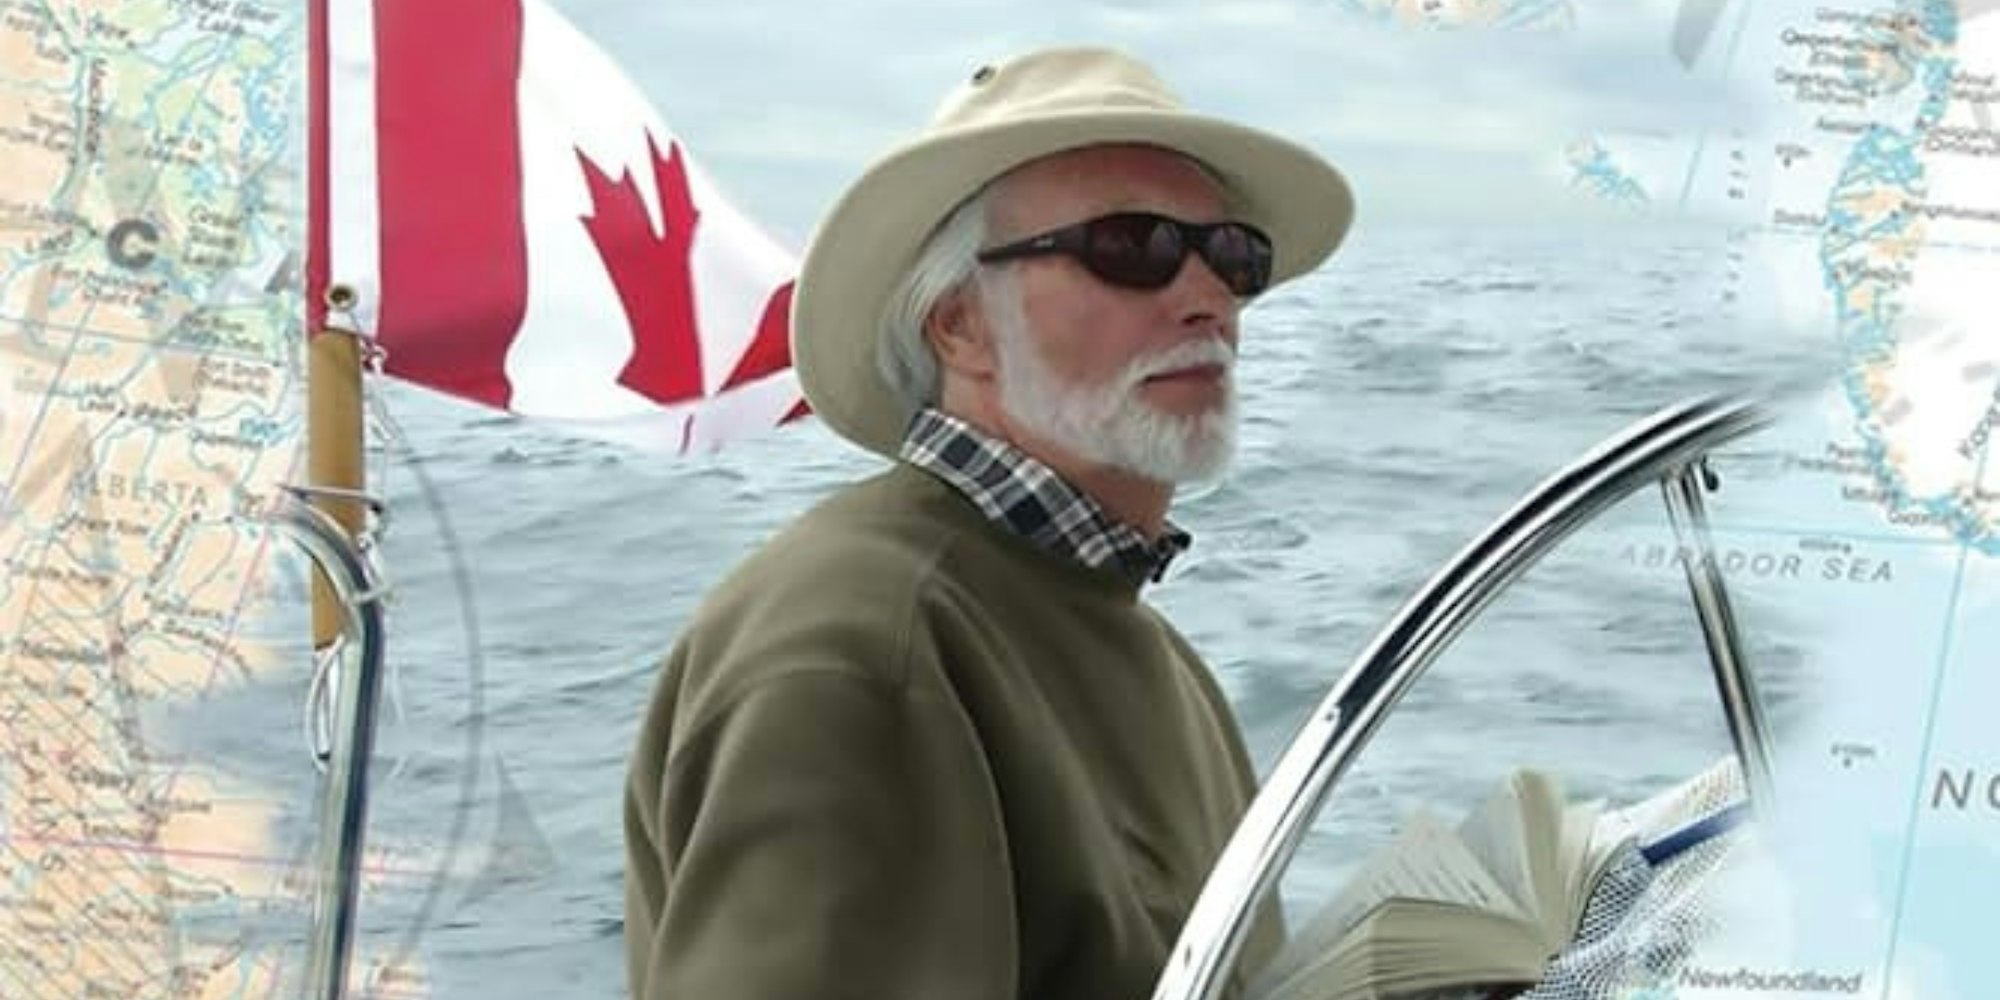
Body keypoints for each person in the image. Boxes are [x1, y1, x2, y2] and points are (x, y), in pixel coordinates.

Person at [622, 44, 1356, 1000]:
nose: (1208, 297)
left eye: (1232, 255)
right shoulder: (861, 650)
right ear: (958, 324)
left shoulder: (1149, 654)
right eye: (1132, 247)